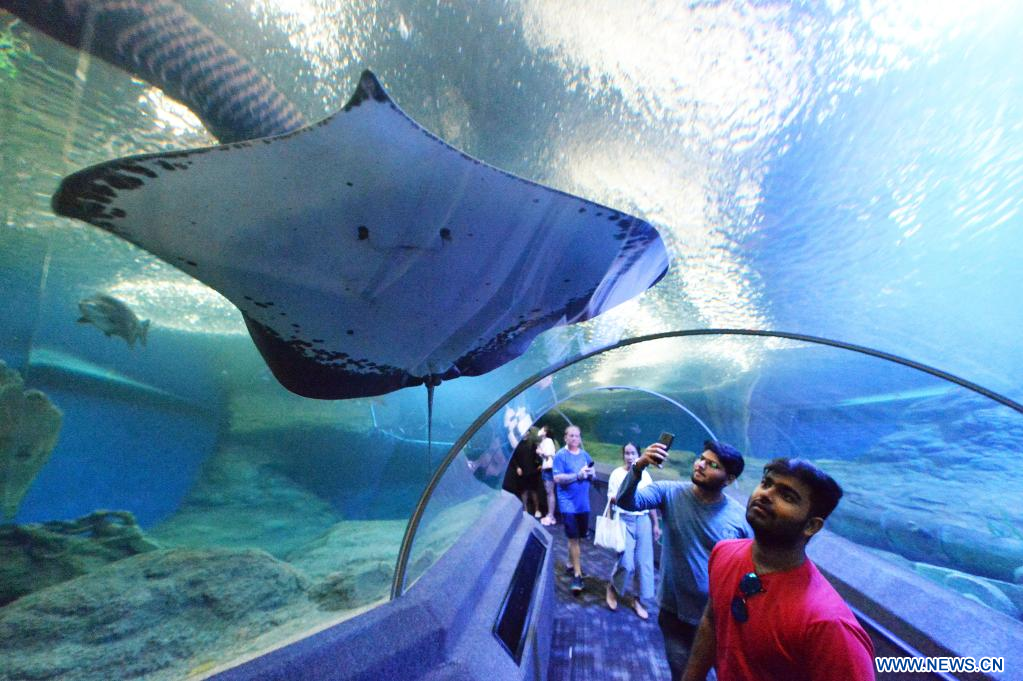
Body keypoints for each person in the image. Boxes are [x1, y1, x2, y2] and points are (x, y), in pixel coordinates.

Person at [682, 458, 876, 681]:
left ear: (811, 525)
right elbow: (712, 620)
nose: (766, 494)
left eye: (787, 496)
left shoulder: (829, 624)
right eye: (766, 483)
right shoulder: (724, 552)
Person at [616, 439, 751, 680]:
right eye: (701, 458)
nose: (700, 465)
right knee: (682, 673)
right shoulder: (669, 492)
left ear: (729, 479)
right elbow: (627, 501)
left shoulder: (740, 519)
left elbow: (748, 568)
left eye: (713, 465)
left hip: (719, 618)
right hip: (674, 612)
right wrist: (639, 466)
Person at [606, 442, 661, 619]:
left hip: (643, 520)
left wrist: (655, 524)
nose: (630, 457)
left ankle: (637, 599)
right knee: (626, 562)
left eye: (633, 453)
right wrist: (624, 497)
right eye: (627, 453)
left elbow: (650, 502)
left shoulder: (646, 475)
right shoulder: (617, 474)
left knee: (643, 563)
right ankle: (613, 587)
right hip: (624, 518)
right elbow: (612, 498)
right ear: (623, 455)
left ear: (639, 455)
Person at [552, 424, 595, 594]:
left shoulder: (585, 455)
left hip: (583, 504)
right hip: (568, 504)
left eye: (577, 435)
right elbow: (557, 478)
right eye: (571, 435)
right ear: (565, 437)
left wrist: (590, 474)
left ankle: (571, 563)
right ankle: (577, 575)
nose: (575, 438)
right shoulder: (560, 456)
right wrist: (578, 475)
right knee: (574, 539)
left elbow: (593, 473)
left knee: (578, 538)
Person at [510, 426, 543, 516]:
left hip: (533, 471)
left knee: (534, 491)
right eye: (525, 431)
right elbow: (513, 458)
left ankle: (537, 510)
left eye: (528, 431)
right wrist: (517, 467)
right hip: (522, 472)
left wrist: (540, 465)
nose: (527, 433)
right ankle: (525, 510)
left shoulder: (532, 443)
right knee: (524, 491)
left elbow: (537, 455)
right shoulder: (517, 445)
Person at [538, 427, 558, 525]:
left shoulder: (548, 441)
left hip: (549, 469)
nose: (539, 430)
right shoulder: (544, 441)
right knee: (548, 492)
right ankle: (550, 514)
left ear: (545, 432)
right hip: (546, 469)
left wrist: (540, 452)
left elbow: (550, 454)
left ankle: (551, 516)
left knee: (550, 492)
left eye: (542, 429)